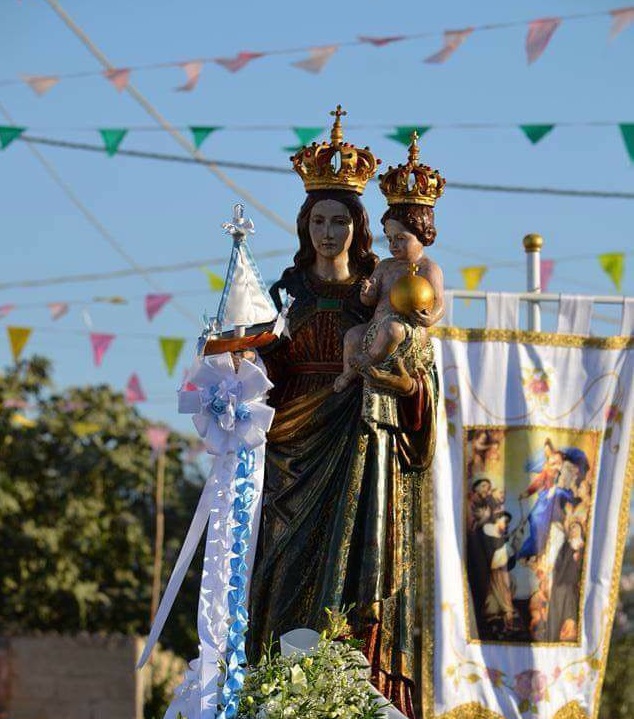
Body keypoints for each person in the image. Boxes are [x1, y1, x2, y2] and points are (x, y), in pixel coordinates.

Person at [246, 108, 439, 718]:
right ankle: (278, 694)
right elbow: (259, 372)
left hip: (360, 443)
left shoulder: (382, 294)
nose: (328, 233)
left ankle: (352, 696)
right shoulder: (285, 293)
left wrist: (405, 385)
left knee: (358, 572)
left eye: (339, 221)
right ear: (305, 226)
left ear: (358, 226)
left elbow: (420, 373)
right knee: (280, 573)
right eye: (318, 221)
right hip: (288, 449)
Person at [333, 136, 445, 393]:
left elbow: (439, 302)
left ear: (423, 235)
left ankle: (365, 361)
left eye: (401, 239)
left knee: (393, 330)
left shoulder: (429, 268)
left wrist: (430, 317)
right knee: (353, 335)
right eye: (390, 239)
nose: (393, 245)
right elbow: (370, 300)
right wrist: (367, 294)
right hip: (377, 326)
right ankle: (348, 372)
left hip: (408, 330)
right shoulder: (385, 266)